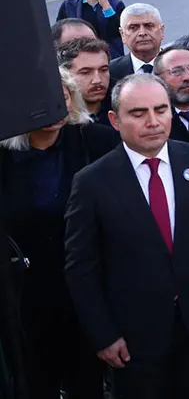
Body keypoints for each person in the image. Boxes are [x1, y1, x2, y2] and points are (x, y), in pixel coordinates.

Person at [63, 73, 189, 399]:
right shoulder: (91, 183)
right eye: (138, 113)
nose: (153, 121)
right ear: (115, 120)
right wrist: (103, 335)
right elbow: (81, 268)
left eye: (161, 109)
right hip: (133, 337)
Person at [1, 68, 117, 399]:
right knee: (37, 380)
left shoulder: (98, 141)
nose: (53, 106)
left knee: (87, 381)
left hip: (87, 285)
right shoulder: (5, 156)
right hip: (27, 292)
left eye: (61, 96)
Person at [57, 0, 126, 58]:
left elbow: (119, 33)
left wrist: (106, 6)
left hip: (110, 56)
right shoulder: (68, 5)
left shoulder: (116, 4)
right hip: (78, 56)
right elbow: (59, 32)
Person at [58, 37, 112, 118]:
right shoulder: (58, 119)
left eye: (103, 70)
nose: (97, 80)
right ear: (65, 74)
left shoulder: (123, 103)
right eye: (85, 72)